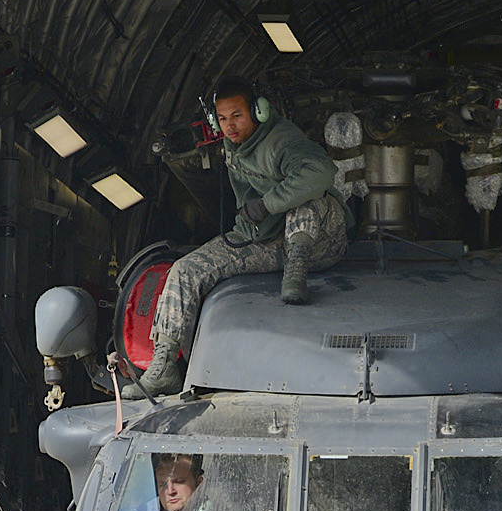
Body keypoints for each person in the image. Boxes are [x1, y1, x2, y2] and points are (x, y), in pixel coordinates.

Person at [126, 75, 350, 399]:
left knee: (310, 197)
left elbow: (322, 173)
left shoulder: (282, 141)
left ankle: (296, 270)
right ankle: (163, 368)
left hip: (318, 242)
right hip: (264, 241)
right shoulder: (232, 145)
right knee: (185, 270)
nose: (229, 126)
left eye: (237, 116)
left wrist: (268, 204)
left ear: (258, 112)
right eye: (222, 119)